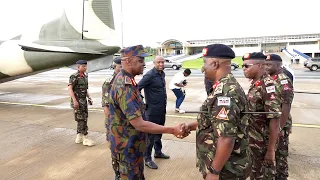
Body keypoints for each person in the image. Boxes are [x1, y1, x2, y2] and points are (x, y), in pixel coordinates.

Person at [107, 45, 184, 180]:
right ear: (128, 61)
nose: (144, 64)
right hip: (127, 147)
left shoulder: (128, 81)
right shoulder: (125, 86)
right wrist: (172, 130)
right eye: (141, 60)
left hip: (131, 145)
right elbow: (139, 124)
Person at [180, 44, 251, 180]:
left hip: (227, 170)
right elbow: (214, 122)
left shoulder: (225, 93)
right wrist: (190, 125)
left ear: (214, 64)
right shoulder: (224, 86)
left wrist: (214, 172)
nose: (202, 68)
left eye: (204, 63)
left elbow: (226, 137)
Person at [242, 52, 282, 179]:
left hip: (263, 144)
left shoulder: (268, 85)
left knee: (263, 176)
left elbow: (275, 119)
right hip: (254, 142)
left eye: (246, 66)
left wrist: (270, 150)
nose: (244, 69)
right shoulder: (256, 83)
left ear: (259, 65)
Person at [265, 54, 294, 180]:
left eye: (269, 64)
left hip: (281, 125)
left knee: (280, 156)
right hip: (274, 124)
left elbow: (286, 106)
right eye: (265, 64)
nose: (266, 67)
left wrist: (279, 129)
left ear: (278, 65)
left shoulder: (283, 80)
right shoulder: (271, 78)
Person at [138, 56, 170, 169]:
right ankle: (147, 158)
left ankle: (158, 152)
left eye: (162, 62)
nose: (161, 64)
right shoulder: (150, 75)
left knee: (159, 131)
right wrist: (142, 103)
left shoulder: (162, 74)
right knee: (150, 135)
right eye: (158, 62)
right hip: (152, 111)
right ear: (154, 63)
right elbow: (137, 88)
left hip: (161, 109)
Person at [101, 57, 122, 180]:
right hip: (113, 122)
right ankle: (117, 173)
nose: (122, 69)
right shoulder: (109, 82)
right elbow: (105, 106)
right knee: (115, 149)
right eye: (120, 66)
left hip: (125, 123)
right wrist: (111, 123)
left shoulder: (125, 80)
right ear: (115, 66)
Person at [68, 60, 95, 147]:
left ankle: (79, 137)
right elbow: (70, 88)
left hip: (83, 101)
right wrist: (75, 101)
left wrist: (89, 97)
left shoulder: (85, 76)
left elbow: (84, 89)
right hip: (77, 102)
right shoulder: (74, 76)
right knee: (82, 119)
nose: (85, 67)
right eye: (83, 66)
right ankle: (85, 138)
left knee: (83, 118)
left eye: (85, 66)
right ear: (78, 67)